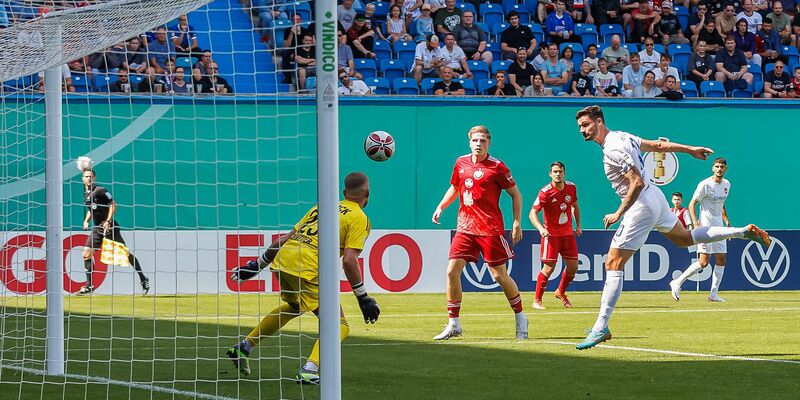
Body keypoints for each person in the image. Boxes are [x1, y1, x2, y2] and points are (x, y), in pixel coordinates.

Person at [573, 105, 771, 350]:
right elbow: (657, 146)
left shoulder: (613, 147)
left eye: (586, 125)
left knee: (613, 264)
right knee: (684, 238)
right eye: (580, 126)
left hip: (641, 204)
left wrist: (618, 213)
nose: (582, 130)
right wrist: (690, 150)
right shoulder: (622, 136)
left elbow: (636, 182)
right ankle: (742, 232)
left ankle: (601, 327)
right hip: (655, 196)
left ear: (599, 122)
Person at [226, 172, 380, 384]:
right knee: (339, 324)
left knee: (295, 307)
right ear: (368, 194)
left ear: (344, 192)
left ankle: (244, 346)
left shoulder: (322, 207)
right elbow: (349, 261)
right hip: (307, 267)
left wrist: (256, 266)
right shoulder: (359, 218)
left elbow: (285, 239)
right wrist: (363, 297)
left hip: (283, 260)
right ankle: (310, 369)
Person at [431, 125, 528, 341]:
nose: (478, 144)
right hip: (465, 227)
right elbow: (456, 187)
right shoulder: (461, 162)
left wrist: (516, 222)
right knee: (451, 271)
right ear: (469, 142)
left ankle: (521, 317)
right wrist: (441, 206)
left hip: (490, 229)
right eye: (475, 140)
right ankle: (454, 324)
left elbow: (516, 194)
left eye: (483, 140)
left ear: (489, 143)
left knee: (499, 275)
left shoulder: (498, 167)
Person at [670, 158, 734, 302]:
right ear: (713, 168)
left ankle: (713, 295)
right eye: (717, 166)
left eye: (722, 167)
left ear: (726, 169)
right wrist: (696, 223)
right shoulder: (705, 184)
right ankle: (677, 282)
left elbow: (721, 204)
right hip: (705, 228)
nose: (719, 169)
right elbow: (692, 203)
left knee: (721, 259)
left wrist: (727, 221)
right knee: (704, 262)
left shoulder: (727, 184)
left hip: (719, 228)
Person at [79, 167, 150, 295]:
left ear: (94, 178)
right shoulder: (86, 194)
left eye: (91, 176)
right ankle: (89, 286)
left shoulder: (100, 190)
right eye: (86, 176)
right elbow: (91, 209)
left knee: (125, 254)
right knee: (86, 253)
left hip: (110, 227)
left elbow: (113, 204)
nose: (89, 178)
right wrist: (86, 221)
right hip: (98, 228)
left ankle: (143, 279)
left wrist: (108, 221)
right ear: (82, 179)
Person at [529, 162, 582, 310]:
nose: (558, 174)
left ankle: (560, 291)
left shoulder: (571, 187)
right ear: (550, 174)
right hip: (551, 236)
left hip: (568, 234)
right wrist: (540, 228)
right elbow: (532, 213)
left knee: (573, 267)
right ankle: (537, 300)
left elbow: (575, 206)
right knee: (549, 268)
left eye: (560, 171)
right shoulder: (545, 192)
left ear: (564, 173)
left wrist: (578, 225)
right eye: (555, 172)